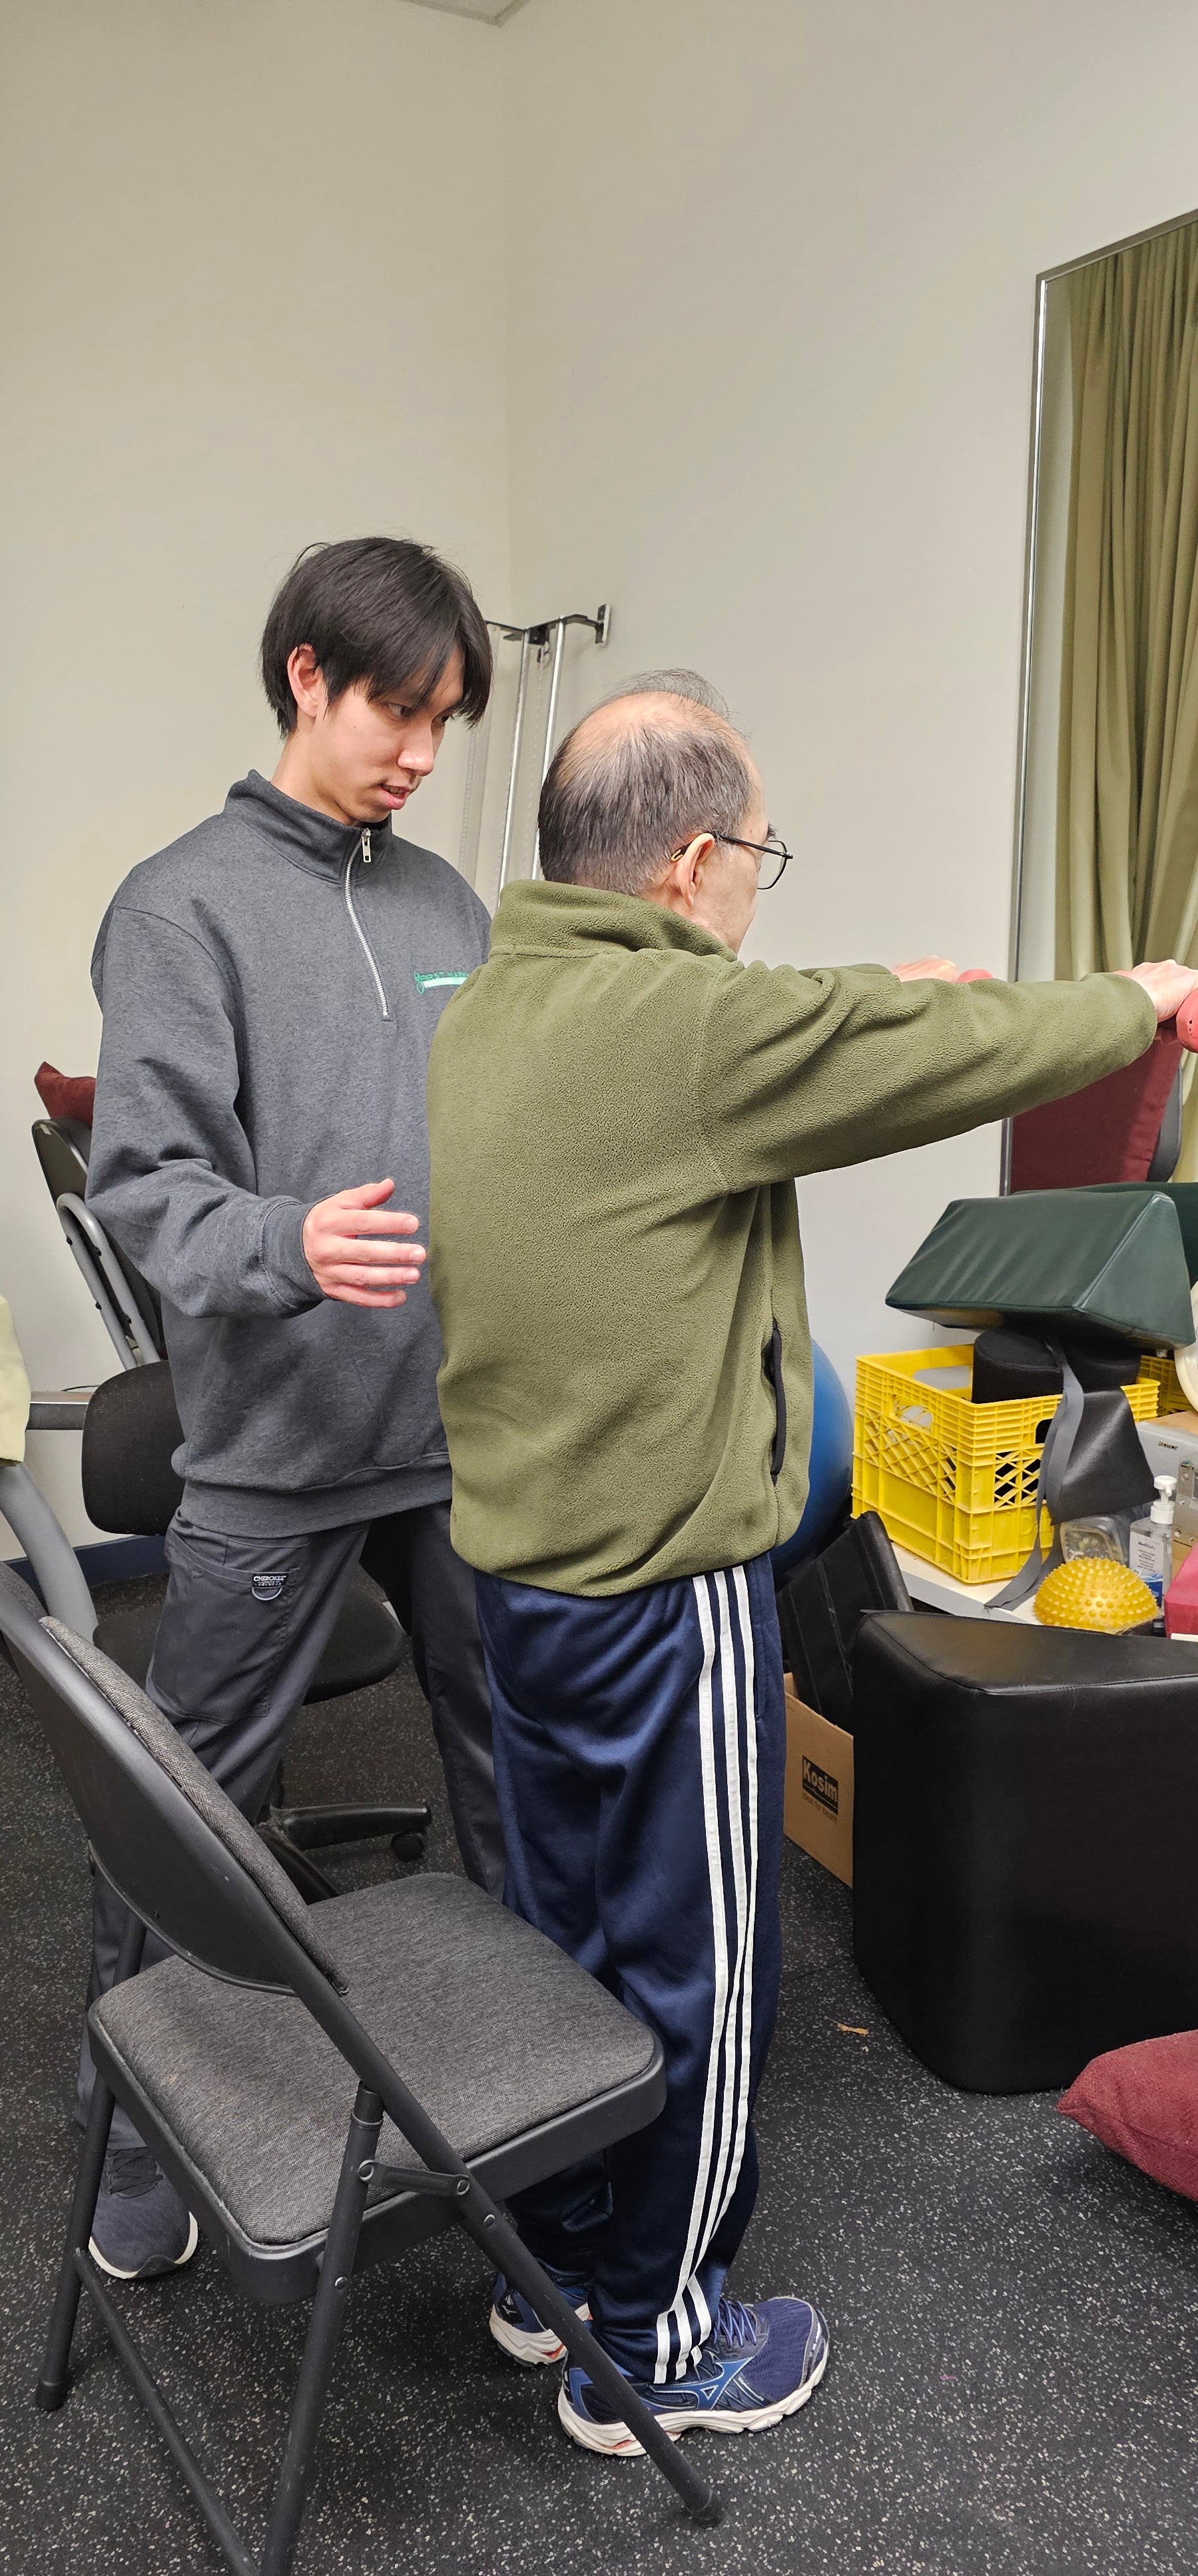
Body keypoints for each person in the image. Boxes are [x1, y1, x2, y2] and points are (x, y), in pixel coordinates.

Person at [426, 669, 1197, 2455]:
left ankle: (551, 2269)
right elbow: (914, 1058)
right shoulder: (682, 1041)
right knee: (695, 1960)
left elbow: (791, 1014)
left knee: (564, 1944)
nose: (757, 886)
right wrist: (1144, 996)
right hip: (660, 1595)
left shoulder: (495, 998)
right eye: (755, 855)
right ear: (692, 861)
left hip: (518, 1579)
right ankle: (657, 2343)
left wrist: (884, 992)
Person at [81, 536, 506, 2277]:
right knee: (184, 1810)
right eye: (397, 709)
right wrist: (286, 1241)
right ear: (307, 676)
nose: (418, 750)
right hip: (272, 1446)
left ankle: (501, 2102)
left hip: (459, 1436)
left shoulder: (445, 905)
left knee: (507, 1772)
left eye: (446, 721)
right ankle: (128, 2146)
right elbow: (143, 1187)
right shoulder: (179, 905)